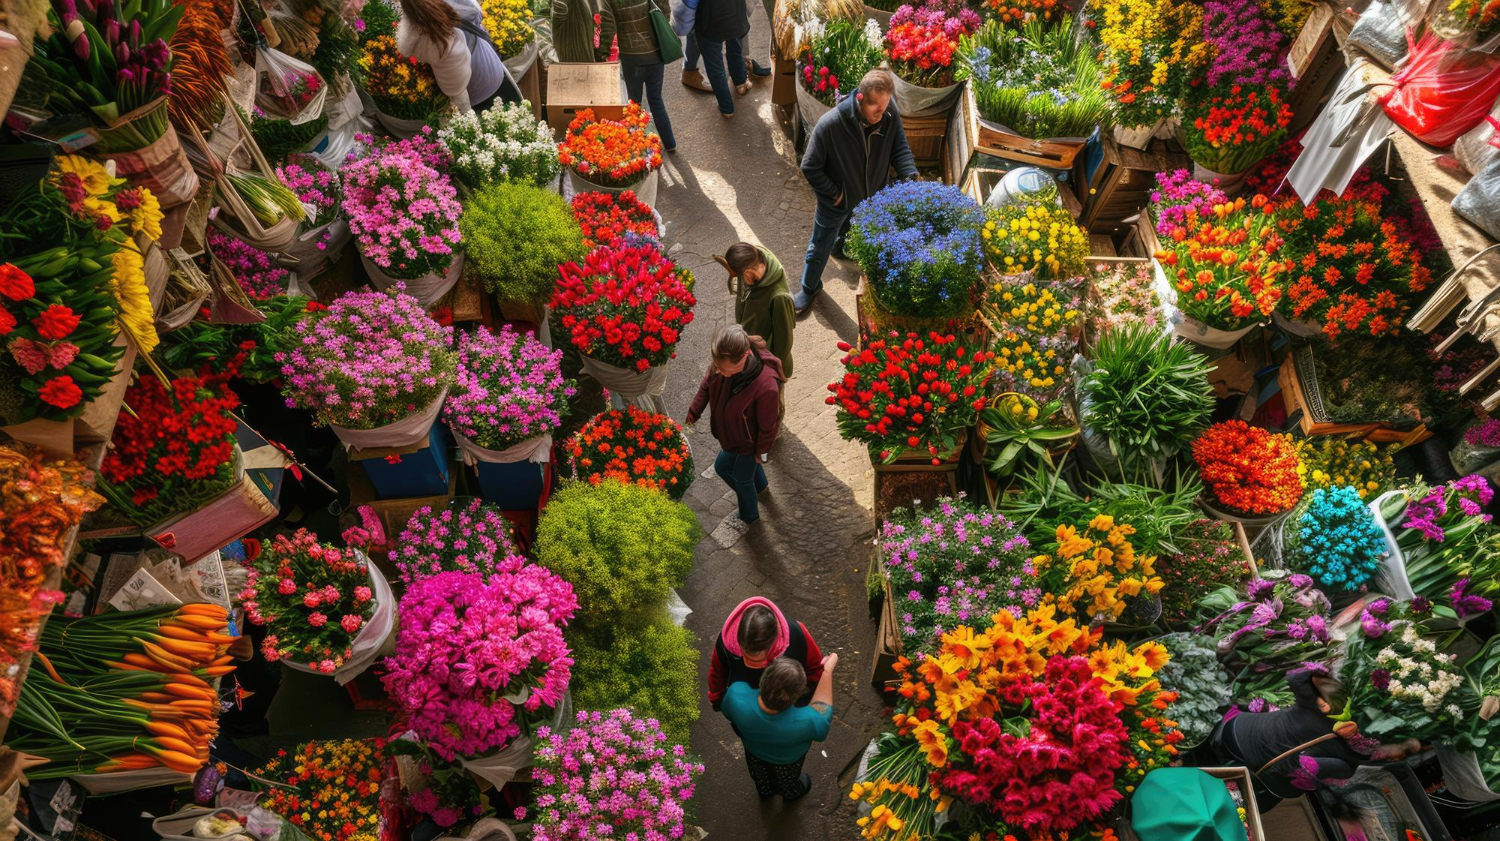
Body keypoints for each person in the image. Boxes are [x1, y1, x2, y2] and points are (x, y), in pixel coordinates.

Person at [1207, 666, 1422, 811]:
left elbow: (1296, 675)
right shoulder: (1346, 765)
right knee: (1273, 792)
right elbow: (1298, 774)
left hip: (1236, 729)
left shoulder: (1324, 707)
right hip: (1251, 761)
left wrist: (1323, 678)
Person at [795, 68, 917, 314]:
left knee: (859, 232)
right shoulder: (830, 125)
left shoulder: (889, 113)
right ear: (860, 98)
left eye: (885, 106)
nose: (882, 113)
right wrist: (835, 193)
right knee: (820, 244)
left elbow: (899, 147)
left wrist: (910, 176)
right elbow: (810, 166)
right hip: (837, 201)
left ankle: (842, 245)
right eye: (876, 107)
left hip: (872, 197)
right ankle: (809, 288)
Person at [685, 325, 784, 526]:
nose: (721, 373)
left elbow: (768, 427)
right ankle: (760, 488)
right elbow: (707, 384)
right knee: (735, 471)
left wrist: (761, 454)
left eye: (727, 371)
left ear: (745, 356)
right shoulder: (721, 365)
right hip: (731, 438)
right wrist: (694, 412)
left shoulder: (766, 387)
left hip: (748, 444)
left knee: (737, 475)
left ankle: (750, 515)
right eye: (718, 368)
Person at [721, 654, 838, 801]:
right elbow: (823, 709)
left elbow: (727, 712)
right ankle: (791, 794)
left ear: (763, 679)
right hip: (789, 760)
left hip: (754, 752)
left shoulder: (736, 695)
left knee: (760, 776)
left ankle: (765, 792)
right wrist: (827, 671)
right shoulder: (808, 720)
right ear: (796, 697)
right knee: (788, 781)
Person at [397, 0, 520, 113]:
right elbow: (460, 97)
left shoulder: (432, 32)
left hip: (483, 77)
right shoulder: (442, 42)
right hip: (481, 84)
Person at [708, 597, 824, 712]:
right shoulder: (725, 643)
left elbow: (816, 669)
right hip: (747, 707)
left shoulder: (797, 633)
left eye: (757, 654)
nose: (747, 662)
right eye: (743, 650)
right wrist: (717, 699)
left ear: (773, 641)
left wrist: (801, 698)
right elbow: (716, 673)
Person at [597, 0, 678, 151]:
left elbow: (608, 27)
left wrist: (602, 52)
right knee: (656, 99)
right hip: (655, 53)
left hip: (631, 58)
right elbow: (664, 8)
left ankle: (637, 148)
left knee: (634, 105)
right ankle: (670, 143)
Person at [719, 242, 794, 380]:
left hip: (767, 362)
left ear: (747, 273)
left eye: (738, 276)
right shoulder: (752, 257)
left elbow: (784, 342)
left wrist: (777, 371)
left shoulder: (779, 298)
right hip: (750, 348)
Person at [692, 0, 750, 116]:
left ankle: (726, 107)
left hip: (709, 19)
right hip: (735, 12)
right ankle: (740, 84)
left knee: (715, 66)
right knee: (735, 47)